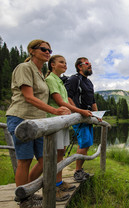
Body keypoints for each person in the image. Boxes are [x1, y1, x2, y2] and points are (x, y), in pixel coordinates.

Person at [6, 39, 71, 208]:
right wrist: (54, 111)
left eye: (50, 50)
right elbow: (28, 97)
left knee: (44, 160)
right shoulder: (24, 68)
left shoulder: (40, 73)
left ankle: (26, 192)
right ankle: (25, 202)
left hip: (37, 122)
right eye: (43, 49)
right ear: (31, 51)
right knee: (25, 160)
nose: (47, 52)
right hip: (21, 118)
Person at [45, 55, 93, 200]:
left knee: (62, 152)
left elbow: (90, 99)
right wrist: (78, 112)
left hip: (68, 119)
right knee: (53, 155)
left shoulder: (63, 80)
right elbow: (64, 100)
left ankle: (58, 183)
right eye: (61, 62)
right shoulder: (70, 79)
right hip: (59, 120)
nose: (65, 65)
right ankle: (51, 188)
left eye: (66, 63)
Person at [65, 57, 99, 182]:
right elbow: (68, 97)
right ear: (80, 66)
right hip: (80, 116)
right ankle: (77, 171)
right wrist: (77, 113)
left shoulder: (89, 82)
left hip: (89, 117)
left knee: (87, 144)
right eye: (87, 64)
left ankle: (79, 169)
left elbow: (93, 100)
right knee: (84, 143)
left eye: (90, 63)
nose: (90, 65)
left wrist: (97, 115)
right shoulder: (74, 79)